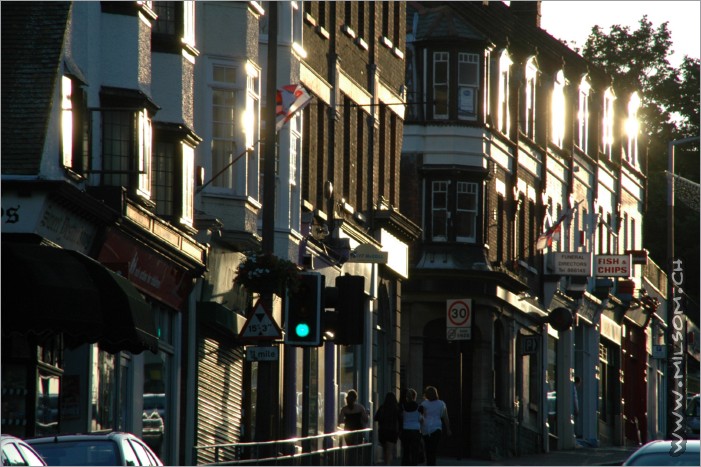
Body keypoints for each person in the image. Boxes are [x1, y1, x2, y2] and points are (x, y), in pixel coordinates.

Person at [419, 386, 451, 466]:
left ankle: (429, 463)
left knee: (427, 448)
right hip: (436, 428)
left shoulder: (423, 404)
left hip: (425, 428)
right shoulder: (441, 403)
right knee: (434, 449)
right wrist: (448, 429)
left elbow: (421, 417)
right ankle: (432, 464)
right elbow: (445, 417)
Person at [374, 392, 402, 465]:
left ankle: (386, 463)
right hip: (392, 431)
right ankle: (388, 464)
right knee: (389, 451)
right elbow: (400, 419)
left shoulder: (382, 408)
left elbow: (376, 418)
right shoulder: (396, 408)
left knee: (385, 450)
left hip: (382, 431)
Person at [400, 388, 423, 465]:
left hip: (405, 429)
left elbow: (401, 417)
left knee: (406, 450)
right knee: (415, 451)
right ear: (414, 396)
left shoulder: (403, 406)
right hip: (415, 430)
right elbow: (421, 418)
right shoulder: (419, 407)